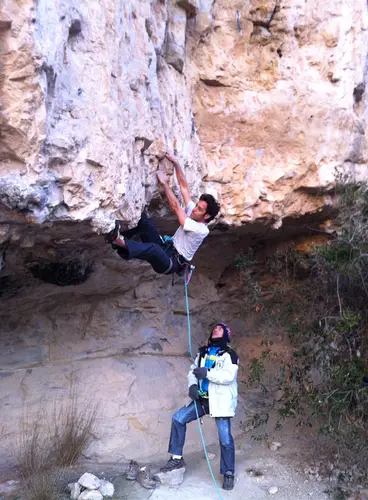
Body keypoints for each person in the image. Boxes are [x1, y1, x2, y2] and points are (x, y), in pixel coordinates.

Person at [104, 152, 220, 275]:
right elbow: (184, 189)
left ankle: (119, 241)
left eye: (200, 209)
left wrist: (164, 184)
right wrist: (176, 164)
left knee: (153, 250)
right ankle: (119, 238)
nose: (195, 209)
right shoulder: (195, 213)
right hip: (165, 247)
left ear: (206, 216)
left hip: (170, 263)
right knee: (144, 221)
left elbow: (175, 207)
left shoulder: (201, 230)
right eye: (197, 205)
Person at [160, 323, 239, 491]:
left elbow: (229, 376)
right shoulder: (203, 352)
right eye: (215, 328)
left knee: (225, 439)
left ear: (226, 334)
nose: (215, 329)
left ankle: (229, 473)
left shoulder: (230, 355)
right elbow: (193, 371)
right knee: (178, 419)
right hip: (202, 401)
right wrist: (192, 386)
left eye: (220, 328)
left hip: (220, 402)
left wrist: (208, 374)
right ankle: (176, 457)